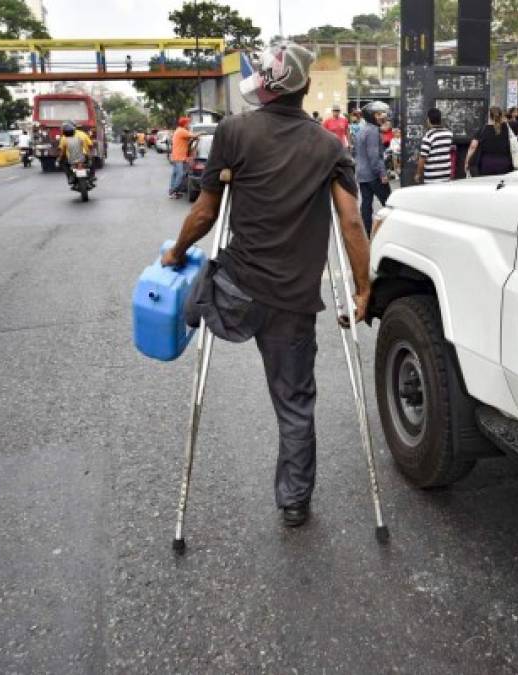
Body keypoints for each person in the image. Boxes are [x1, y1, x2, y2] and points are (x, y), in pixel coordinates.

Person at [159, 42, 369, 528]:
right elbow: (352, 223)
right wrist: (362, 289)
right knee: (295, 403)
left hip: (235, 293)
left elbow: (206, 212)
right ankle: (295, 502)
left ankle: (190, 315)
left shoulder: (234, 131)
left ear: (265, 89)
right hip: (292, 305)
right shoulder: (328, 146)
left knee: (199, 288)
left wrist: (175, 253)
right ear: (306, 88)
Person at [355, 100, 392, 235]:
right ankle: (391, 230)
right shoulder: (373, 131)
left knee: (366, 204)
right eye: (378, 113)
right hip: (373, 174)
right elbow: (374, 156)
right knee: (389, 202)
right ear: (371, 115)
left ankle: (367, 231)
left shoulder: (362, 130)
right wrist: (382, 174)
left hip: (361, 173)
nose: (382, 116)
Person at [465, 106, 517, 177]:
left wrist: (467, 161)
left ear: (489, 116)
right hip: (504, 162)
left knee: (487, 185)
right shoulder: (508, 127)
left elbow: (473, 146)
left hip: (487, 163)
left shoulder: (483, 129)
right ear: (501, 115)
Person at [415, 108, 453, 184]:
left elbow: (422, 158)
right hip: (446, 174)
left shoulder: (429, 136)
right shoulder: (449, 134)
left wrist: (418, 174)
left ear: (428, 120)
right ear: (440, 119)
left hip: (432, 177)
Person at [169, 117, 198, 198]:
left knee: (175, 174)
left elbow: (189, 140)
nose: (189, 125)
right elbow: (194, 135)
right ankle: (173, 190)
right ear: (184, 124)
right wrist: (202, 133)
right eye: (188, 123)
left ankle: (174, 191)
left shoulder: (178, 130)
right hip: (179, 157)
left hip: (176, 156)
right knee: (180, 174)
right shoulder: (182, 131)